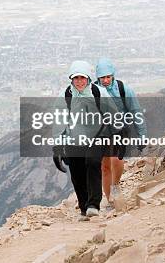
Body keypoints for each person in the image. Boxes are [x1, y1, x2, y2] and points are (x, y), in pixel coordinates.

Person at [53, 60, 118, 220]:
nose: (79, 82)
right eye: (76, 78)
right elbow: (58, 121)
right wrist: (57, 147)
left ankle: (93, 205)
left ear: (88, 78)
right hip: (73, 139)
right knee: (77, 172)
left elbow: (114, 113)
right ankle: (83, 207)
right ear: (71, 79)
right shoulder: (65, 95)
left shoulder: (99, 93)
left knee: (92, 162)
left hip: (98, 136)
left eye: (83, 78)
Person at [94, 58, 147, 206]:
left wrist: (142, 135)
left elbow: (136, 112)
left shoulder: (124, 89)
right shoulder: (92, 91)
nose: (105, 80)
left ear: (113, 75)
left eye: (108, 77)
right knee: (104, 166)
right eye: (102, 77)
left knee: (116, 159)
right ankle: (110, 200)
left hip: (120, 129)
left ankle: (115, 185)